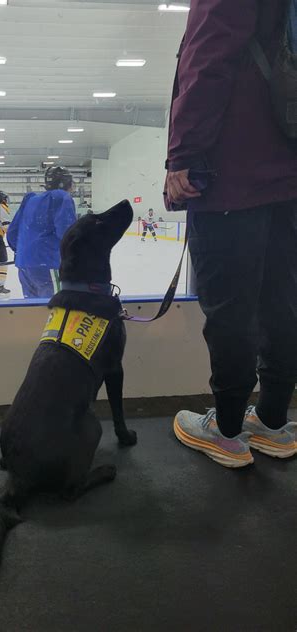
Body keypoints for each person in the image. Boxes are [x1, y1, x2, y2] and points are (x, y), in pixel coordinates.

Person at [165, 0, 297, 467]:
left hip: (232, 173)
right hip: (289, 178)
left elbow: (207, 59)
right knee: (284, 303)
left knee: (231, 310)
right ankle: (274, 421)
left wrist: (184, 154)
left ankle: (226, 430)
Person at [7, 166, 77, 298]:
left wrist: (24, 252)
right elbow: (67, 233)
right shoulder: (61, 197)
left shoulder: (30, 199)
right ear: (66, 182)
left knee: (33, 308)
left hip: (24, 265)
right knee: (54, 307)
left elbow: (12, 232)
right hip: (48, 263)